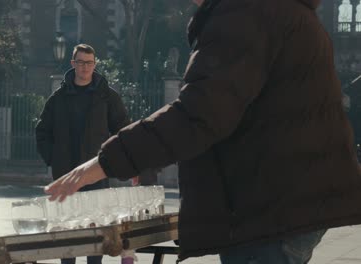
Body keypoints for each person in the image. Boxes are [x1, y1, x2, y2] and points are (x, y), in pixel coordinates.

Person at [44, 0, 361, 263]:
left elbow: (199, 115)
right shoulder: (274, 10)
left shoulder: (247, 13)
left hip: (269, 210)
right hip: (282, 203)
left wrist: (104, 163)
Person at [35, 43, 129, 264]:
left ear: (94, 65)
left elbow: (123, 130)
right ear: (73, 64)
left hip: (96, 172)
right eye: (80, 62)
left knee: (95, 232)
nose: (85, 67)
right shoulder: (58, 98)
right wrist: (52, 159)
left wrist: (117, 162)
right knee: (68, 232)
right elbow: (42, 131)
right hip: (65, 175)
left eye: (89, 63)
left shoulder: (108, 97)